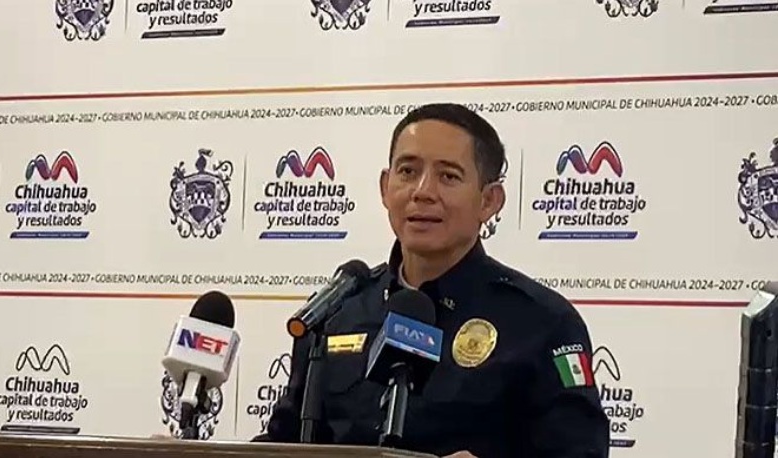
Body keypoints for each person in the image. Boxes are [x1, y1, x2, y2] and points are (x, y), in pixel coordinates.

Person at [253, 103, 610, 457]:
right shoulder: (337, 313)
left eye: (448, 176)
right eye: (408, 171)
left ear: (489, 201)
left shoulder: (542, 322)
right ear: (385, 187)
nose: (422, 191)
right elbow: (284, 443)